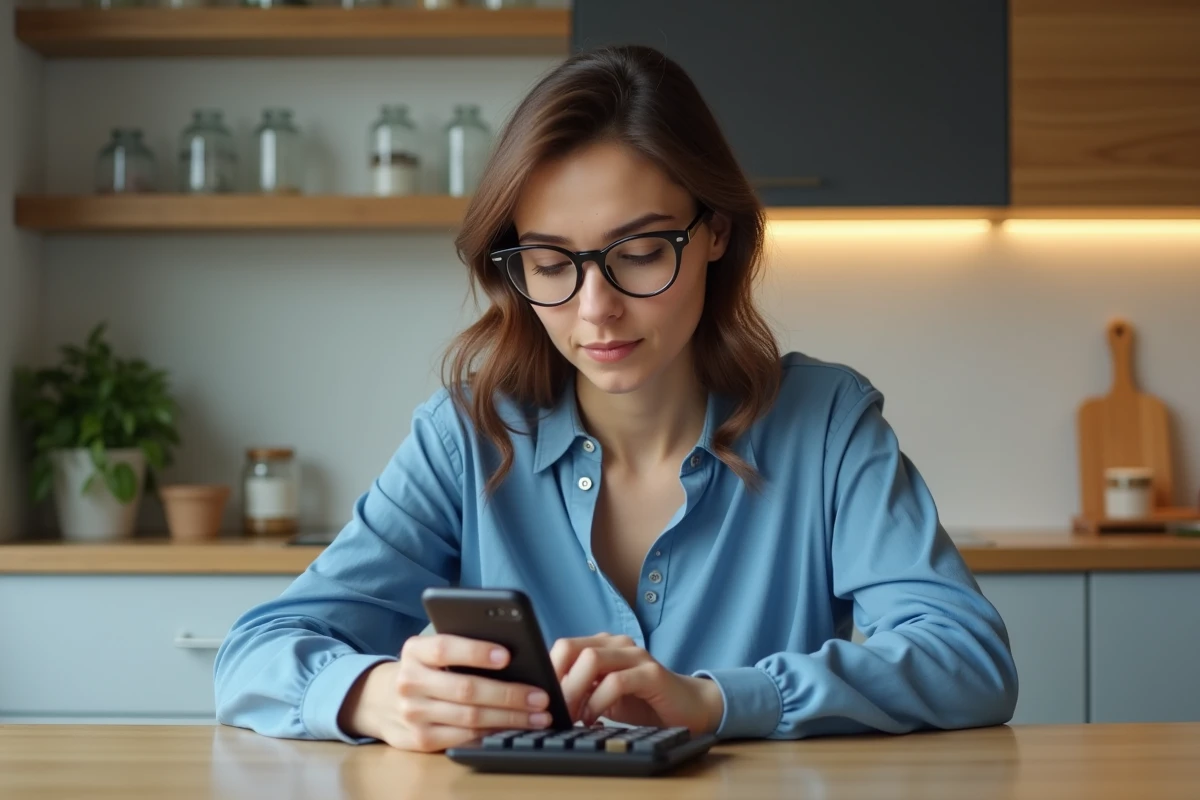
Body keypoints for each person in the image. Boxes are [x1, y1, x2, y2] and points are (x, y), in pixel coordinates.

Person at [214, 44, 1018, 752]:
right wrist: (377, 696)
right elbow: (257, 652)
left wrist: (715, 701)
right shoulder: (467, 434)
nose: (595, 308)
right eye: (551, 262)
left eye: (637, 253)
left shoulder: (827, 423)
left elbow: (969, 659)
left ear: (715, 234)